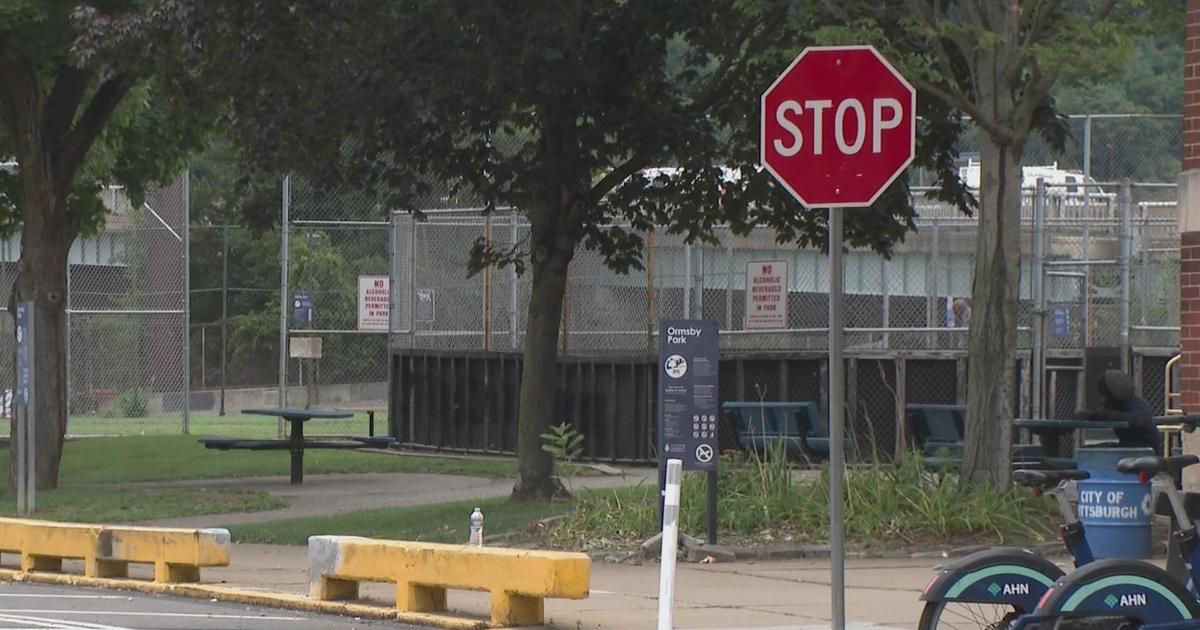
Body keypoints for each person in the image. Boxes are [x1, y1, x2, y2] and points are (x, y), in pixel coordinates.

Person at [1076, 370, 1160, 451]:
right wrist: (1088, 416)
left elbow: (1139, 420)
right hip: (1127, 447)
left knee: (1095, 454)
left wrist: (1105, 414)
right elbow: (1103, 414)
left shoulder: (1136, 405)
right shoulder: (1115, 405)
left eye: (1104, 396)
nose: (1103, 400)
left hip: (1145, 449)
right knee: (1087, 451)